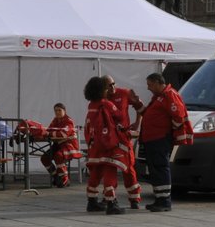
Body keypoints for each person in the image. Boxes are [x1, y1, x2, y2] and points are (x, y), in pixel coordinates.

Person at [138, 71, 190, 212]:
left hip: (160, 139)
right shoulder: (158, 97)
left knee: (161, 168)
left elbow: (178, 115)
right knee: (156, 170)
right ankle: (160, 199)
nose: (148, 88)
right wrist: (138, 104)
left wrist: (168, 132)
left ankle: (165, 201)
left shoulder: (169, 95)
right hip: (153, 139)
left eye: (149, 85)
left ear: (156, 83)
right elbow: (149, 114)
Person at [84, 76, 136, 214]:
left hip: (95, 145)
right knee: (110, 171)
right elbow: (119, 115)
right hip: (108, 144)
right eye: (106, 87)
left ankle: (92, 201)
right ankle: (112, 203)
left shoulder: (91, 105)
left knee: (96, 172)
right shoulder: (106, 103)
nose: (109, 89)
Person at [97, 75, 144, 210]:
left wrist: (137, 123)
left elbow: (139, 106)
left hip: (123, 137)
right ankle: (108, 198)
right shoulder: (101, 99)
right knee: (109, 167)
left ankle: (134, 199)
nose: (112, 88)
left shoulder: (124, 93)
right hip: (108, 139)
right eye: (109, 86)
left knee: (128, 168)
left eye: (113, 84)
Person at [43, 102, 82, 188]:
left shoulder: (69, 121)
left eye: (59, 110)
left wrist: (51, 133)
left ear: (64, 111)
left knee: (58, 155)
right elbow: (48, 130)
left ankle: (65, 179)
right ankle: (56, 176)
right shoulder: (55, 120)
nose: (57, 112)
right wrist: (51, 133)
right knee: (44, 158)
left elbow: (63, 134)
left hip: (70, 145)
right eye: (55, 110)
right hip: (58, 144)